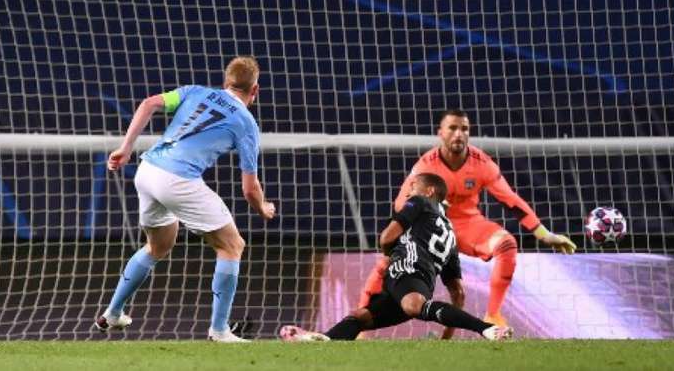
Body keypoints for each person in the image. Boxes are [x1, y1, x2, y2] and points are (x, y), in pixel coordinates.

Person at [94, 56, 275, 343]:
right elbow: (250, 189)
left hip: (148, 169)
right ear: (255, 90)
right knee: (232, 245)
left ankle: (113, 313)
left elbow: (148, 104)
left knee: (158, 245)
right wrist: (263, 208)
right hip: (177, 180)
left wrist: (126, 147)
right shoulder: (247, 124)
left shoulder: (196, 91)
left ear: (226, 82)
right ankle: (219, 330)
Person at [358, 109, 576, 332]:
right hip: (430, 229)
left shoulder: (482, 163)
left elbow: (510, 200)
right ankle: (359, 323)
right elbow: (401, 203)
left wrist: (544, 234)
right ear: (440, 133)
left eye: (464, 129)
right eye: (452, 128)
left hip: (469, 226)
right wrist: (430, 210)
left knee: (507, 244)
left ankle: (493, 315)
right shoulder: (426, 166)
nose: (459, 134)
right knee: (386, 264)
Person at [280, 172, 512, 342]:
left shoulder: (420, 202)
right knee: (361, 316)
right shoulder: (450, 232)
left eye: (413, 186)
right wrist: (446, 339)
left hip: (406, 274)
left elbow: (385, 237)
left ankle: (487, 329)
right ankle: (323, 340)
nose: (409, 191)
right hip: (417, 284)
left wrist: (388, 252)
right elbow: (458, 293)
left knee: (413, 306)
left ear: (429, 191)